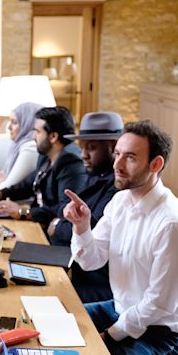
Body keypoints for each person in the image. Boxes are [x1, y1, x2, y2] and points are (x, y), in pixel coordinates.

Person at [64, 120, 178, 355]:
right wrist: (82, 227)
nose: (117, 164)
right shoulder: (120, 201)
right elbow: (91, 261)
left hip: (160, 335)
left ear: (156, 164)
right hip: (122, 309)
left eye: (130, 157)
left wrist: (108, 335)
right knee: (56, 320)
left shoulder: (173, 224)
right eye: (117, 154)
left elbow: (158, 305)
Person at [49, 112, 123, 303]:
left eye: (91, 148)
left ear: (113, 147)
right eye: (82, 148)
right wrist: (63, 220)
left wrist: (58, 227)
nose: (83, 155)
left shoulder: (117, 187)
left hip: (94, 282)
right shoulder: (93, 174)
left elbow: (92, 228)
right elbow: (63, 207)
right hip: (74, 262)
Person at [0, 106, 87, 229]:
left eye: (37, 131)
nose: (33, 137)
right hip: (37, 223)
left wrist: (22, 212)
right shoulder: (46, 156)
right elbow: (28, 184)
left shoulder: (72, 164)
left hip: (51, 231)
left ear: (53, 137)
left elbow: (65, 208)